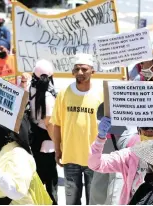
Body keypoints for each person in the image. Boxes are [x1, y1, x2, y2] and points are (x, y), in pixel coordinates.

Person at [89, 115, 153, 204]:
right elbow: (97, 164)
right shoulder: (130, 155)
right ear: (138, 130)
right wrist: (100, 138)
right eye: (145, 128)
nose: (149, 133)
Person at [50, 53, 103, 205]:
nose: (80, 73)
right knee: (72, 202)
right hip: (70, 157)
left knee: (94, 201)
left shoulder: (100, 94)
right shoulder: (63, 94)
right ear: (72, 72)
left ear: (92, 71)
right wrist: (57, 149)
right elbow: (57, 124)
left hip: (93, 158)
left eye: (84, 69)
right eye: (76, 69)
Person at [89, 103, 140, 205]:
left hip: (127, 146)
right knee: (98, 191)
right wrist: (100, 137)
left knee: (115, 193)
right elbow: (95, 165)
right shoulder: (110, 98)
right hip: (106, 145)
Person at [28, 59, 58, 204]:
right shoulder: (48, 96)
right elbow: (49, 123)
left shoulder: (30, 90)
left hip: (34, 142)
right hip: (48, 145)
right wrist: (59, 147)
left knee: (37, 182)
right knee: (51, 185)